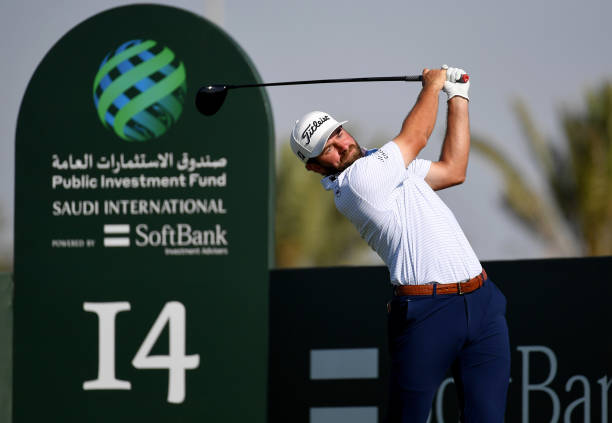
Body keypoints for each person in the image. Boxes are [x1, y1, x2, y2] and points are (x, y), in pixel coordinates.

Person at [289, 66, 510, 422]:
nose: (342, 145)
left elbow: (453, 169)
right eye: (328, 148)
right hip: (428, 313)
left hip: (481, 301)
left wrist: (458, 96)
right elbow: (417, 136)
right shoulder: (358, 183)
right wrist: (433, 84)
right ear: (315, 168)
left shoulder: (385, 165)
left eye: (339, 133)